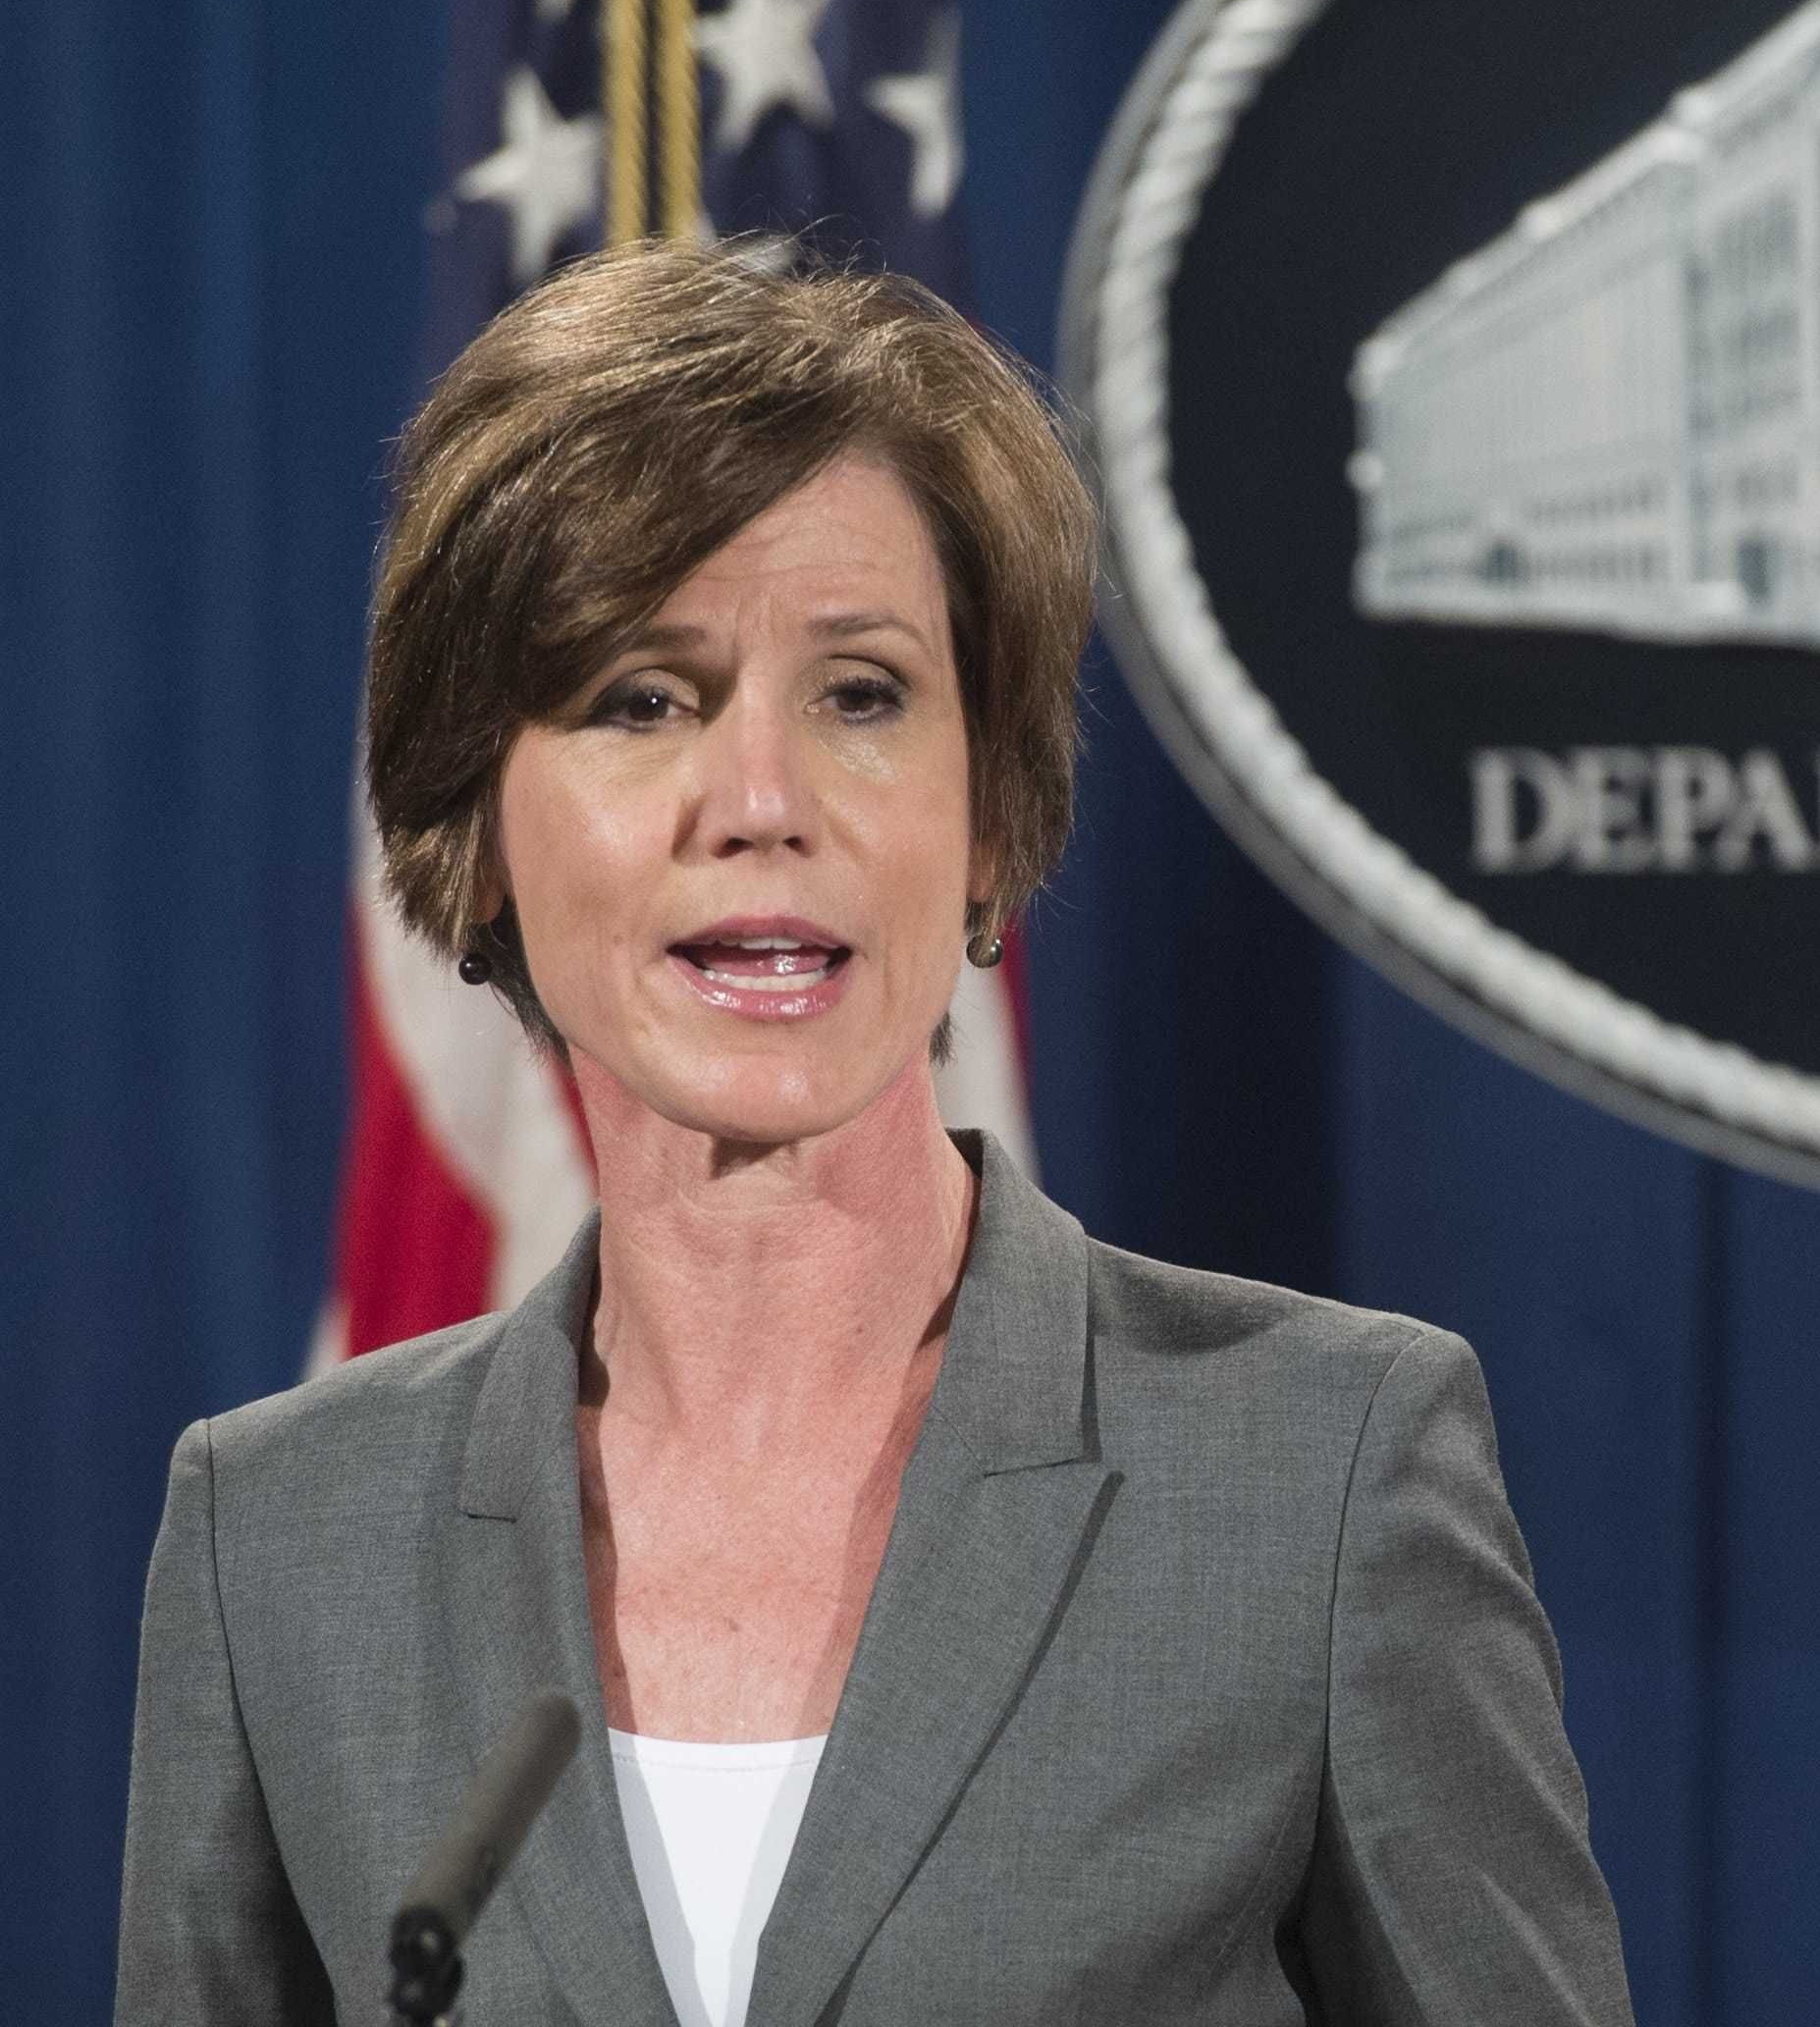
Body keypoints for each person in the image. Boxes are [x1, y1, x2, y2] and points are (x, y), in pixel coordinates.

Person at [114, 240, 1634, 2026]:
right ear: (476, 828)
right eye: (641, 700)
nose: (761, 803)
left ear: (988, 813)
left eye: (860, 695)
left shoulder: (1319, 1478)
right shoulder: (282, 1534)